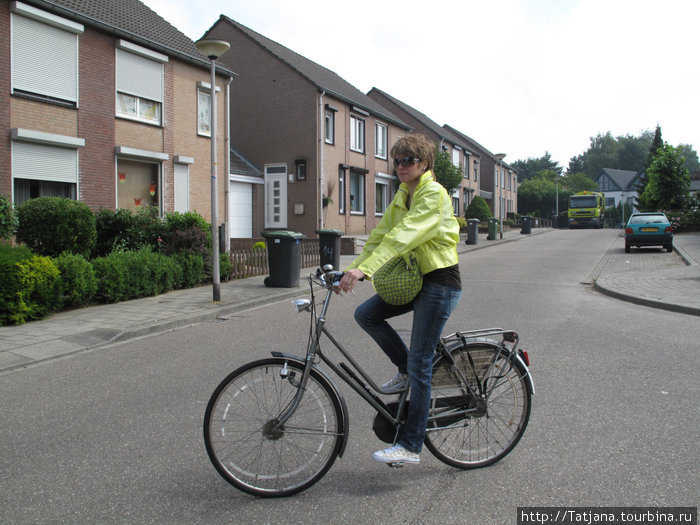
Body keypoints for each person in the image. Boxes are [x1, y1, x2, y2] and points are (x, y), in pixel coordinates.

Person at [339, 133, 462, 464]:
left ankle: (410, 445)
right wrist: (350, 270)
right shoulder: (401, 196)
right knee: (367, 315)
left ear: (423, 163)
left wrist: (367, 271)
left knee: (421, 363)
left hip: (439, 283)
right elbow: (380, 237)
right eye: (396, 160)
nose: (400, 166)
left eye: (408, 160)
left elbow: (404, 236)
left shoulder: (432, 194)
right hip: (416, 280)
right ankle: (403, 369)